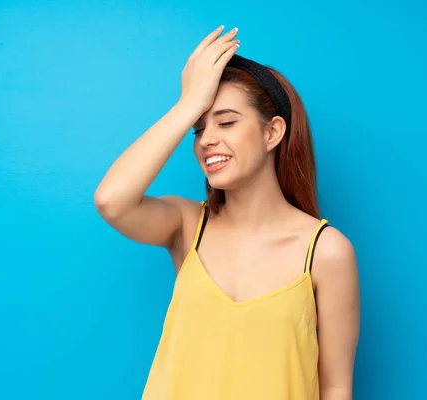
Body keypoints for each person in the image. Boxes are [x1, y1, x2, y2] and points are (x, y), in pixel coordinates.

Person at [94, 25, 360, 400]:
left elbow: (335, 387)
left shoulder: (326, 252)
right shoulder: (186, 226)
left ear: (273, 133)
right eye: (198, 129)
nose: (207, 140)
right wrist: (188, 104)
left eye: (228, 121)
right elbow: (111, 200)